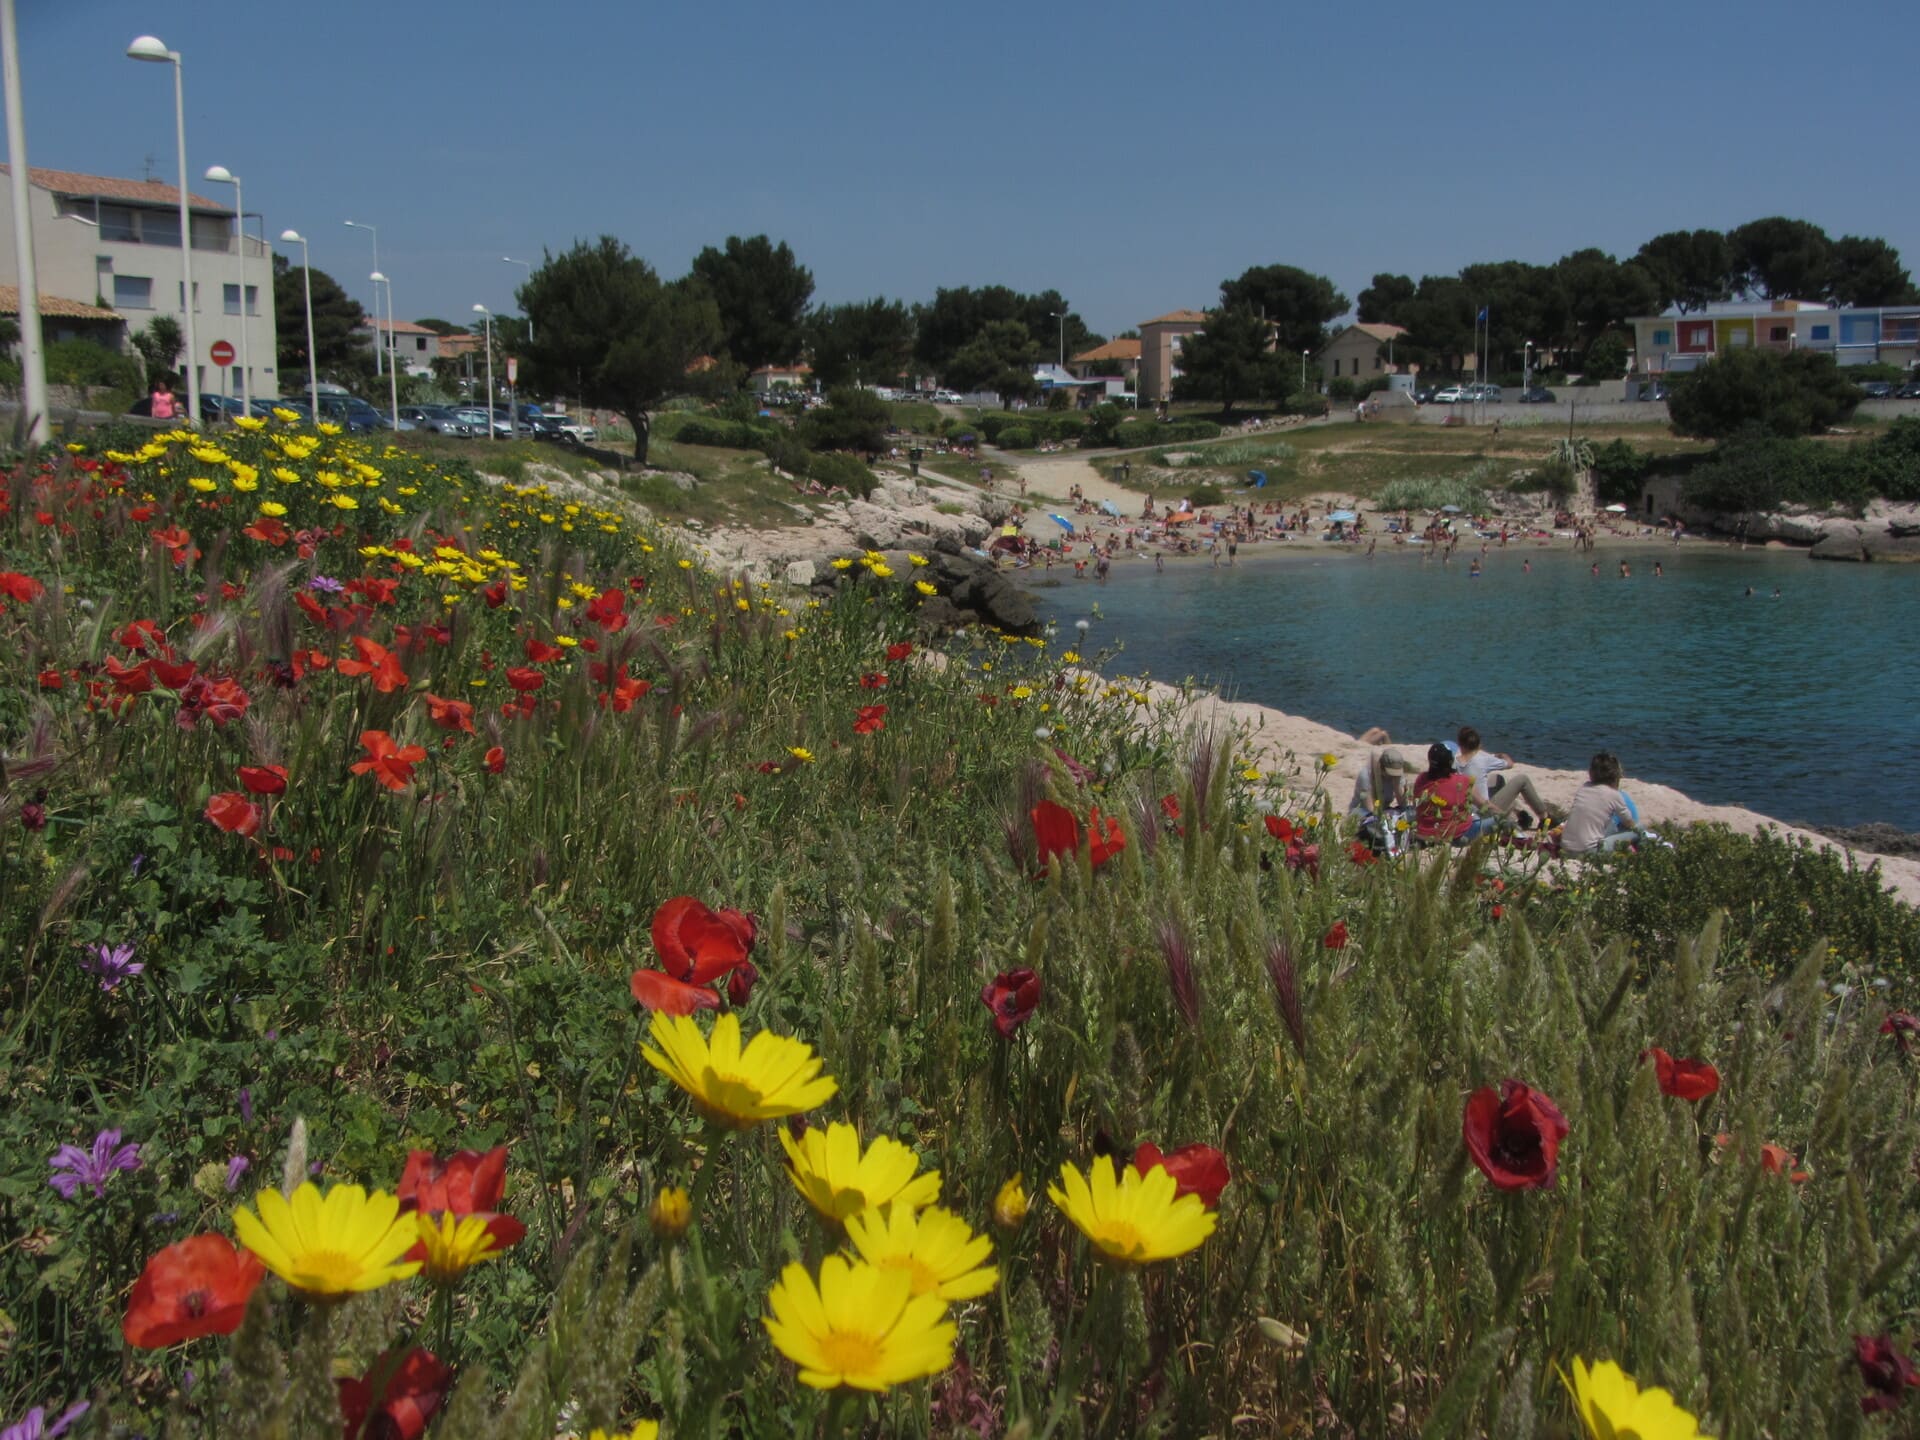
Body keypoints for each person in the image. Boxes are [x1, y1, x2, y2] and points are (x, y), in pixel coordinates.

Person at [1456, 725, 1554, 826]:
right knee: (1522, 780)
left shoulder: (1455, 760)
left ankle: (1519, 814)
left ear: (1459, 743)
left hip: (1464, 811)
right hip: (1483, 811)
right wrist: (1502, 755)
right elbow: (1510, 764)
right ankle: (1544, 817)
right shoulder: (1482, 758)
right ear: (1478, 744)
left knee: (1498, 780)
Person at [1559, 751, 1643, 855]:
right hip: (1589, 851)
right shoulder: (1614, 795)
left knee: (1608, 824)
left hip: (1565, 847)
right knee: (1639, 828)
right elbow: (1630, 823)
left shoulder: (1584, 787)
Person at [1413, 743, 1497, 844]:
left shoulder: (1421, 779)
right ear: (1451, 762)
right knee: (1500, 820)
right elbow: (1484, 805)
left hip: (1424, 834)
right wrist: (1504, 815)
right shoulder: (1462, 781)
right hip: (1457, 835)